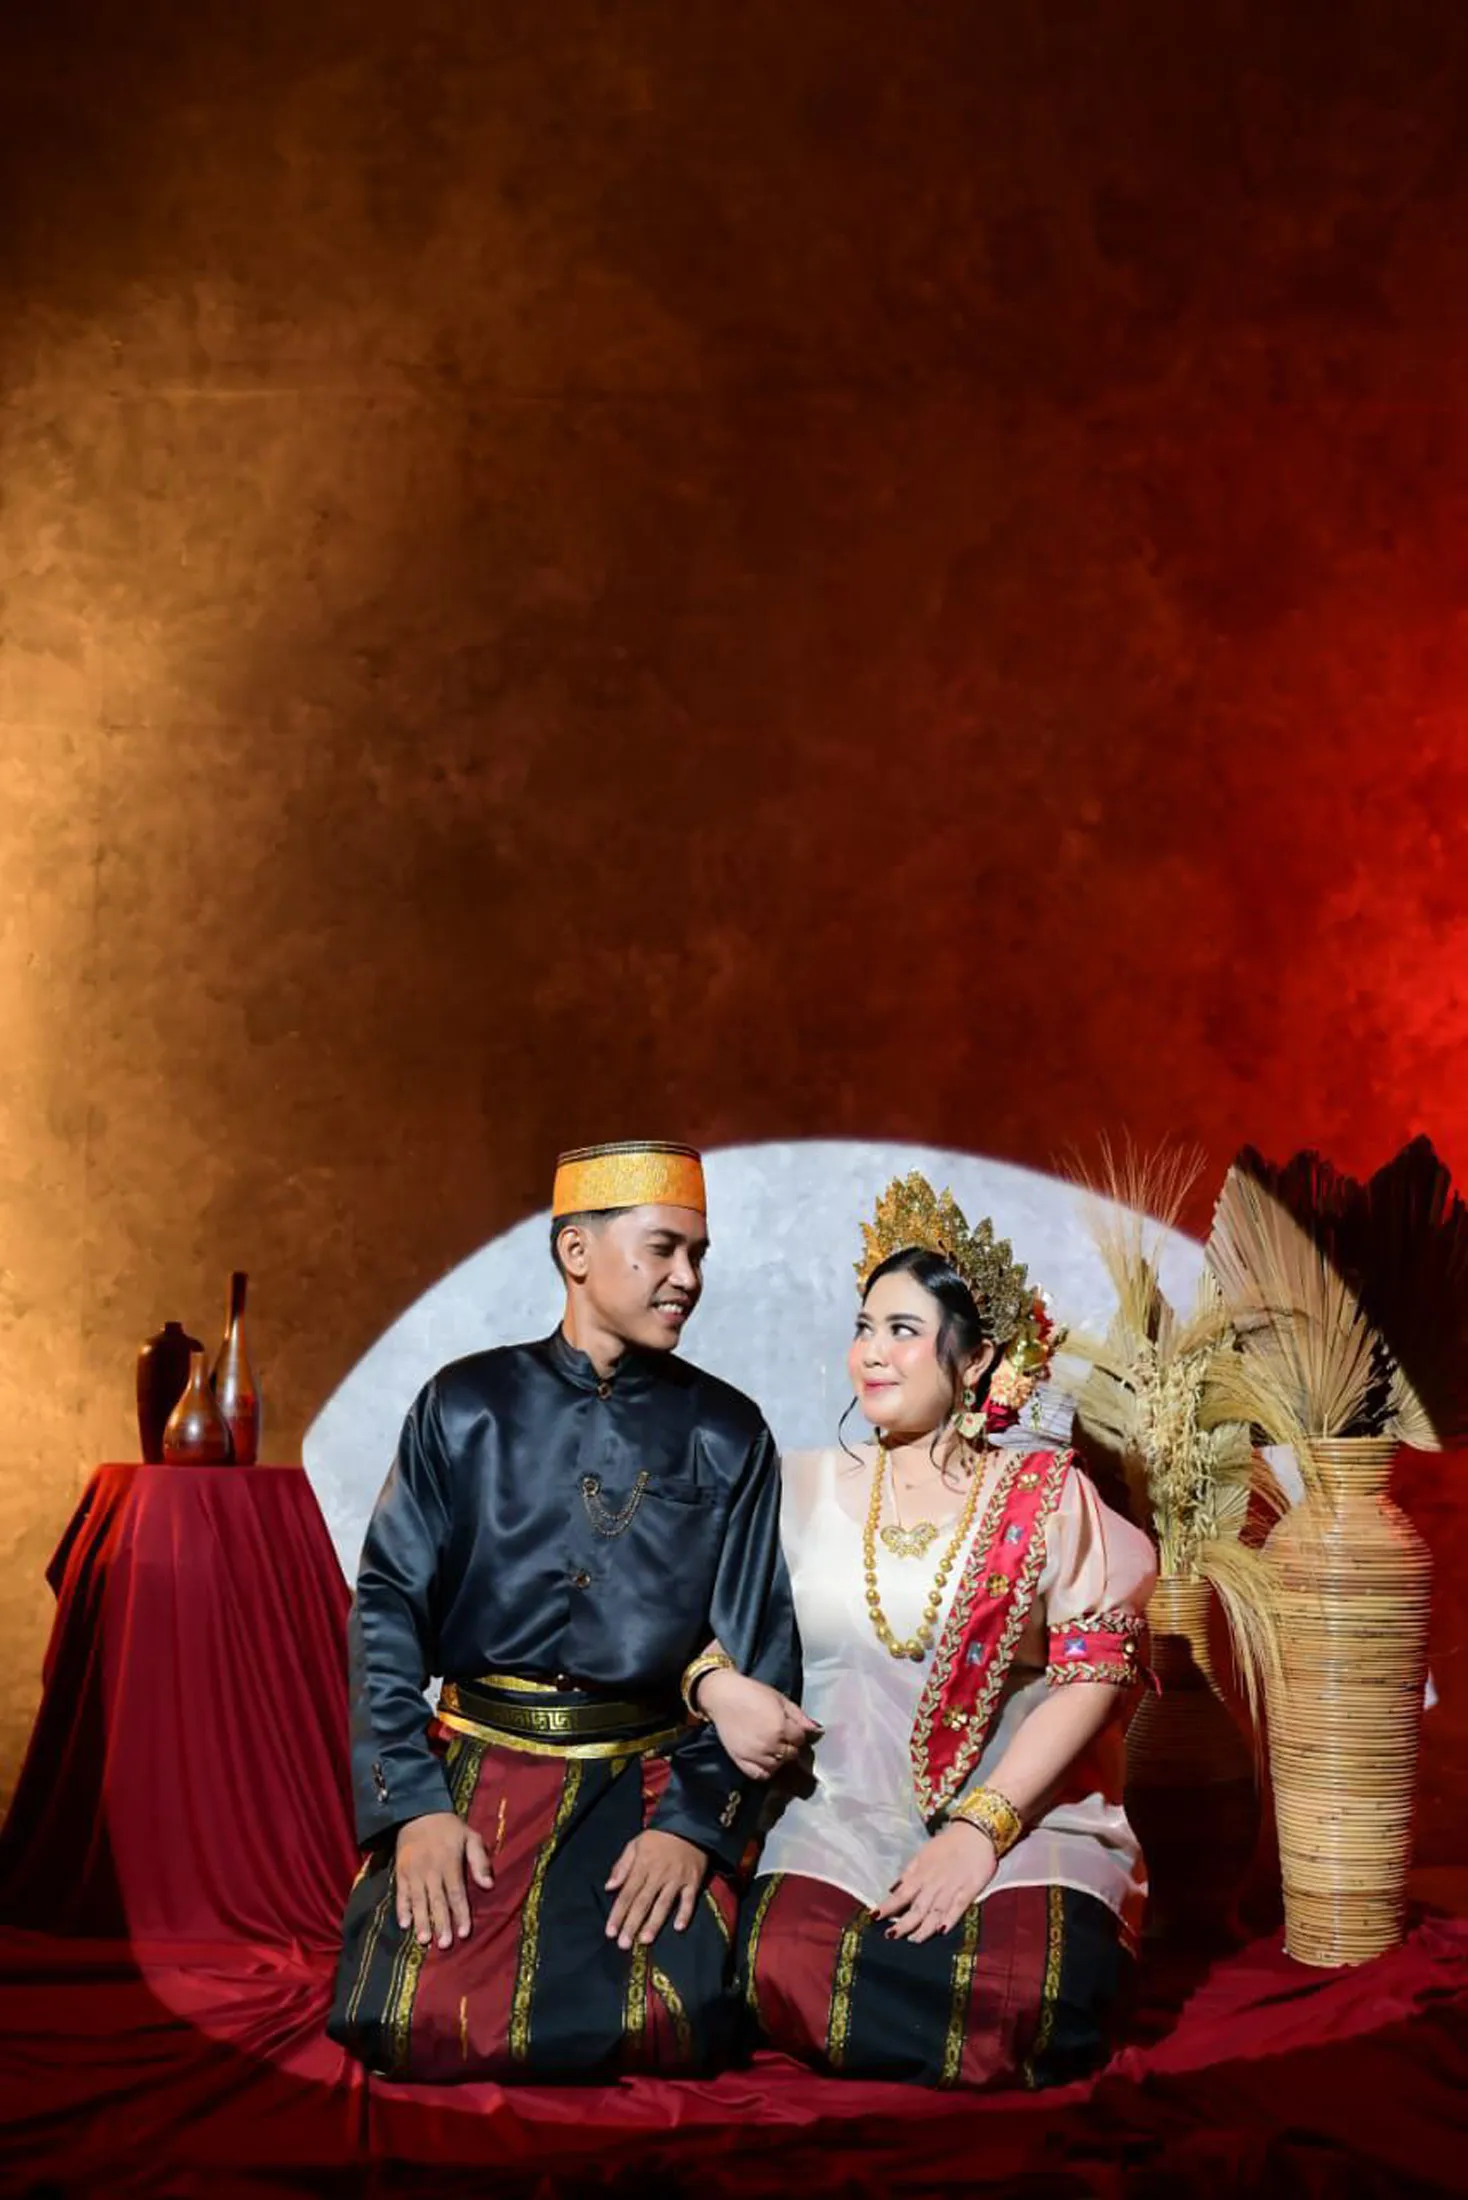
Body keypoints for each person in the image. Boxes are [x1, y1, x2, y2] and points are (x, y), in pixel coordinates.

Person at [327, 1140, 806, 2081]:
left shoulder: (728, 1431)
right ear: (576, 1252)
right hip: (477, 1766)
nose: (688, 1278)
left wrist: (691, 1829)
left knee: (675, 2020)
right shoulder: (464, 1406)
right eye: (664, 1248)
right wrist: (413, 1809)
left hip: (645, 1776)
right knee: (413, 2019)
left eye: (698, 1255)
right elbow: (385, 1607)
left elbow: (761, 1650)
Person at [703, 1173, 1156, 2090]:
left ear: (976, 1358)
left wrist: (981, 1832)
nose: (871, 1353)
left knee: (1038, 1992)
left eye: (902, 1330)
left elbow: (1094, 1674)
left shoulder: (1047, 1498)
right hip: (837, 1817)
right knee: (779, 1968)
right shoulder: (794, 1486)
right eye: (864, 1327)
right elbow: (711, 1628)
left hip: (1022, 1820)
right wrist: (715, 1687)